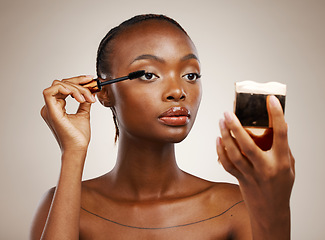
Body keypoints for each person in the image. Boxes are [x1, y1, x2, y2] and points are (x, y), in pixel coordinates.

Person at [30, 14, 295, 239]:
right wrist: (73, 152)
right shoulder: (62, 203)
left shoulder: (235, 205)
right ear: (102, 92)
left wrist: (277, 206)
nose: (178, 91)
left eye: (190, 75)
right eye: (148, 75)